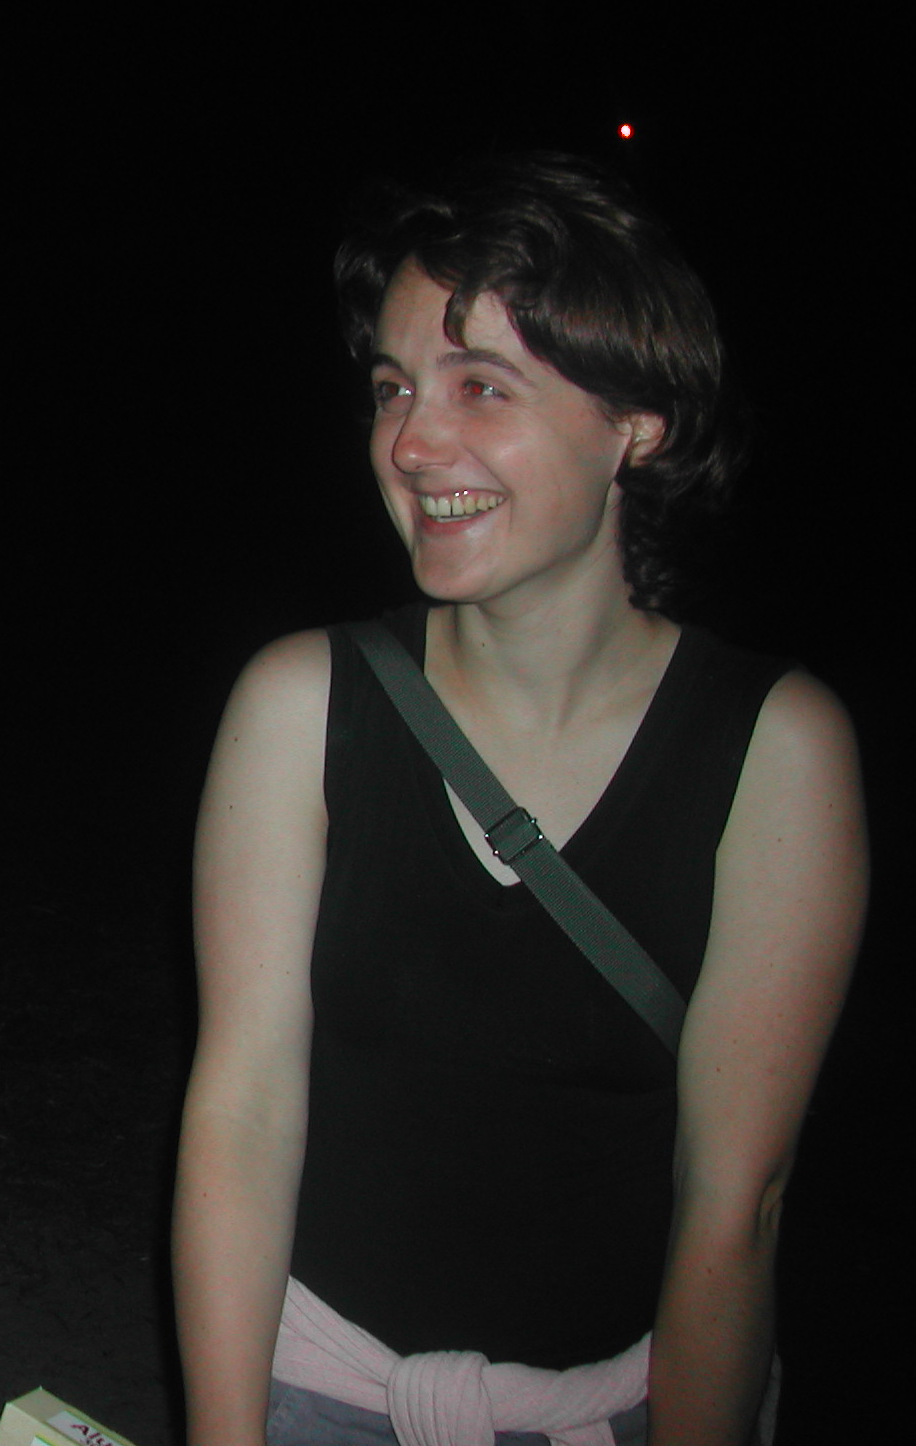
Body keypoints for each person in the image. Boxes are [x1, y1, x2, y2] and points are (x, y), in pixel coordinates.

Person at [172, 154, 865, 1445]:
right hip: (321, 1391)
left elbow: (737, 1203)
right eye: (394, 386)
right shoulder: (301, 706)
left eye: (481, 385)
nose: (411, 442)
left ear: (637, 423)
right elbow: (243, 1113)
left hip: (617, 1410)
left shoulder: (777, 749)